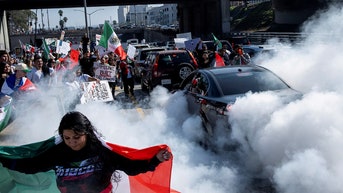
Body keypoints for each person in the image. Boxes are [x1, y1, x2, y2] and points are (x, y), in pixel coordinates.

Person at [0, 111, 172, 193]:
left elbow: (132, 167)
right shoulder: (57, 152)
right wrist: (6, 161)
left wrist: (155, 159)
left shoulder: (102, 151)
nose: (72, 142)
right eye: (67, 138)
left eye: (76, 137)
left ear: (86, 134)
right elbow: (33, 166)